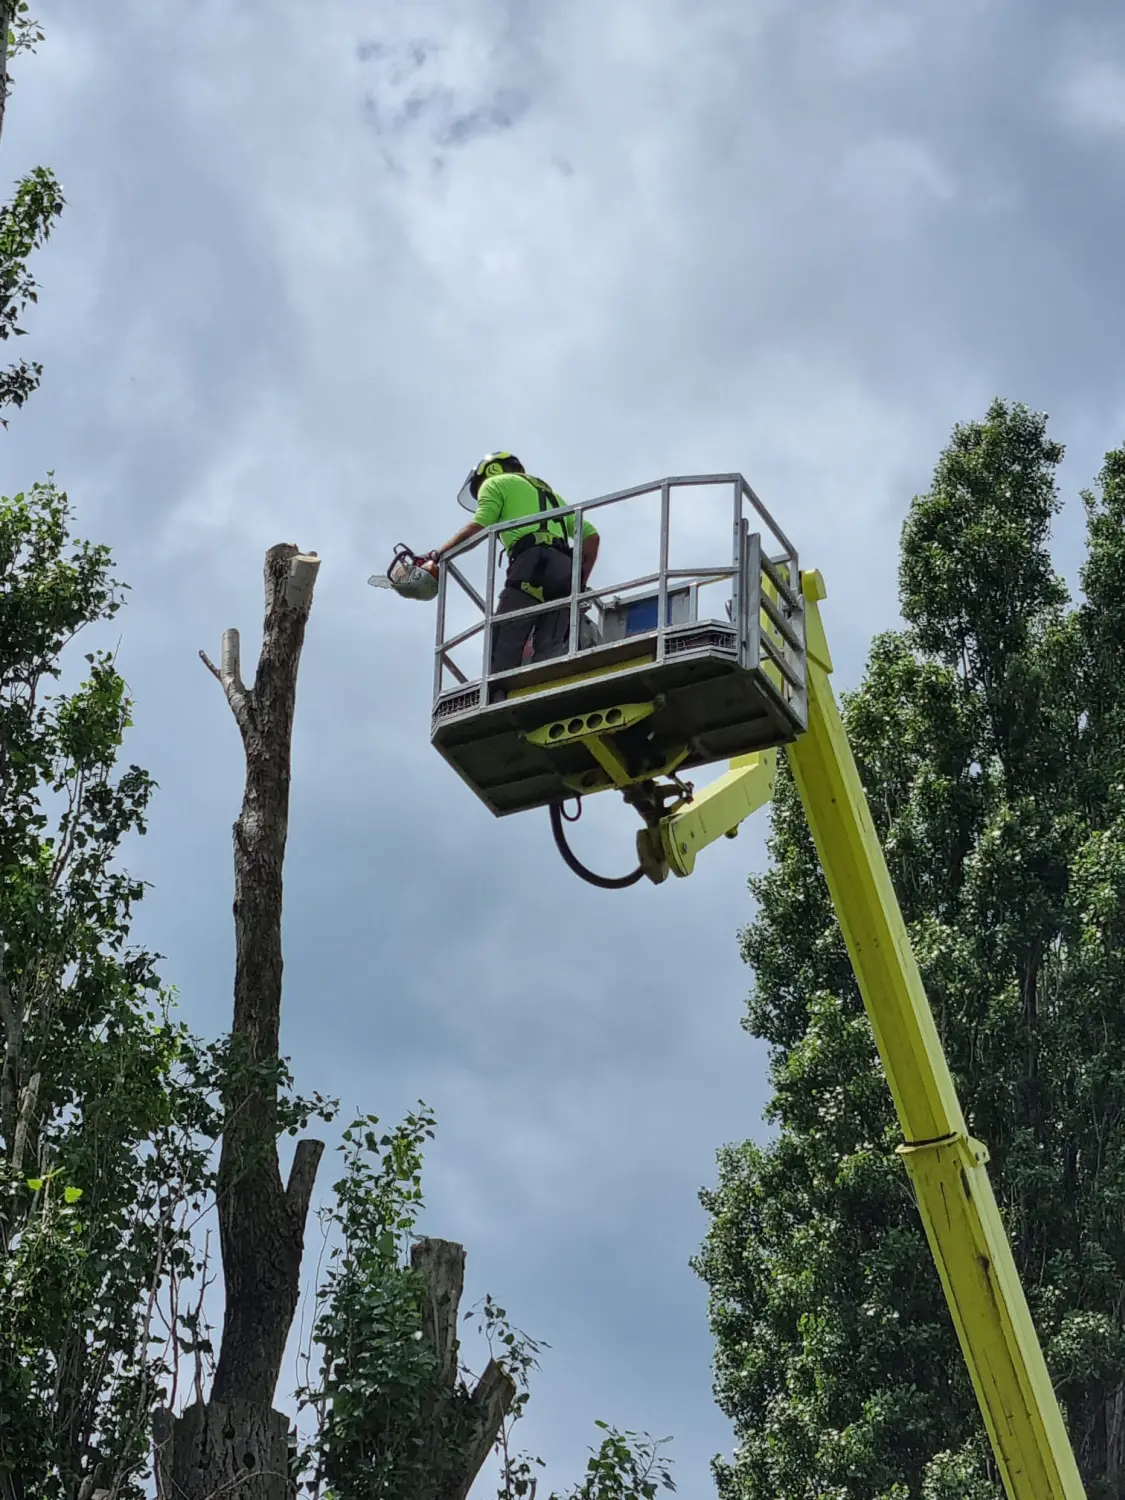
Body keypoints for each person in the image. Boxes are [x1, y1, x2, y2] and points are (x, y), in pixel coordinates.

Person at [429, 452, 599, 677]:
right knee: (552, 644)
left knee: (505, 638)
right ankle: (548, 684)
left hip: (530, 562)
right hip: (563, 567)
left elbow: (479, 525)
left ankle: (497, 692)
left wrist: (437, 554)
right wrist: (579, 581)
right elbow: (591, 537)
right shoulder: (552, 495)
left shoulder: (495, 483)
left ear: (491, 470)